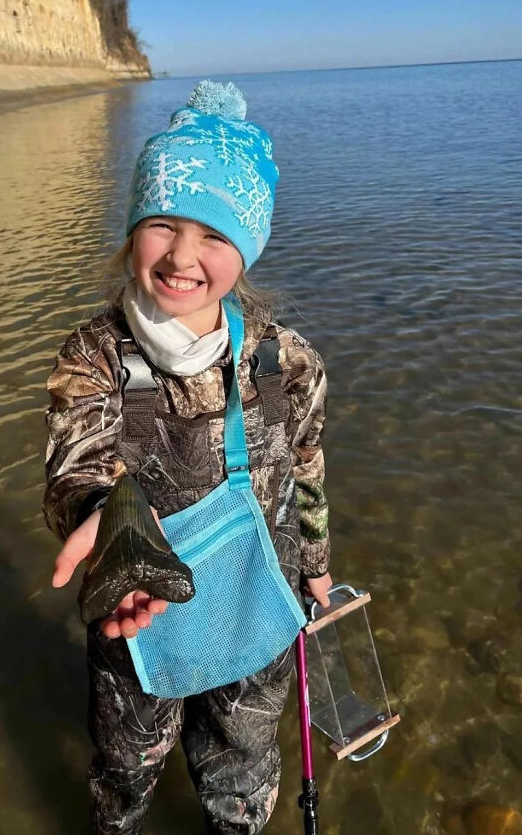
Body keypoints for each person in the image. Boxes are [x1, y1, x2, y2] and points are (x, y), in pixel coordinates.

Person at [43, 80, 332, 834]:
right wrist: (105, 522)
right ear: (133, 227)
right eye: (163, 224)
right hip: (134, 613)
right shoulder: (95, 356)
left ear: (249, 245)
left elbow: (304, 461)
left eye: (213, 235)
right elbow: (78, 464)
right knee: (125, 768)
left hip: (256, 605)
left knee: (242, 763)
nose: (181, 256)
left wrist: (318, 566)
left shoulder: (286, 360)